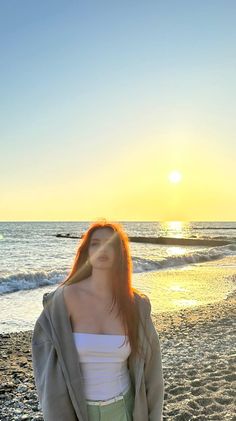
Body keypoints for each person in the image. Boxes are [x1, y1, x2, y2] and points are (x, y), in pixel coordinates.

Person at [31, 219, 164, 421]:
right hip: (78, 412)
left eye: (110, 244)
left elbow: (152, 372)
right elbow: (44, 367)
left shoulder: (135, 305)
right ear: (87, 251)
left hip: (125, 410)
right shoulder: (62, 301)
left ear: (120, 253)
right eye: (95, 243)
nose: (103, 248)